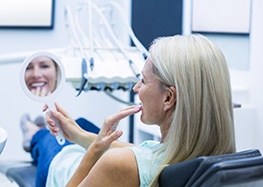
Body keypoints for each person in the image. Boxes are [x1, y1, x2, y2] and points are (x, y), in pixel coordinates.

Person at [21, 34, 236, 187]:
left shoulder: (119, 164)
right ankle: (68, 132)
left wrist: (95, 148)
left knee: (49, 140)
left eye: (143, 80)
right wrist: (81, 136)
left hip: (62, 173)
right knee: (82, 123)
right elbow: (145, 152)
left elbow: (128, 160)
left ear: (168, 98)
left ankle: (32, 133)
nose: (136, 88)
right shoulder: (209, 158)